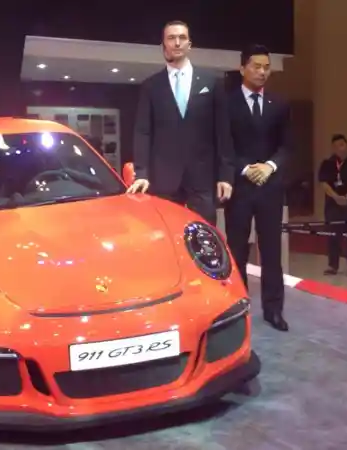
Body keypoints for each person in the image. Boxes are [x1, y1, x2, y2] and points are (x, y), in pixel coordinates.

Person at [128, 20, 234, 225]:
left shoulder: (211, 82)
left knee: (204, 235)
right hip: (163, 178)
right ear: (163, 45)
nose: (177, 43)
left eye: (182, 38)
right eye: (171, 38)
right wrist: (141, 173)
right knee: (165, 233)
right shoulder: (151, 86)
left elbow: (223, 133)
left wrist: (226, 176)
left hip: (203, 177)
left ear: (189, 45)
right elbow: (143, 132)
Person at [224, 45, 293, 332]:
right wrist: (245, 169)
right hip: (240, 187)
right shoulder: (226, 103)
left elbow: (287, 146)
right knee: (237, 251)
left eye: (266, 67)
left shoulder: (280, 104)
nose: (262, 72)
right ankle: (238, 309)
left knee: (272, 251)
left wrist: (269, 166)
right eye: (256, 66)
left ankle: (273, 309)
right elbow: (223, 145)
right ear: (243, 68)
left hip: (270, 187)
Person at [318, 134, 347, 275]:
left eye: (342, 145)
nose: (340, 148)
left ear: (346, 145)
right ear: (333, 148)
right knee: (333, 235)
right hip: (333, 205)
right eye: (337, 146)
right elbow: (324, 184)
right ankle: (333, 265)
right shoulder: (327, 164)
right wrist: (336, 197)